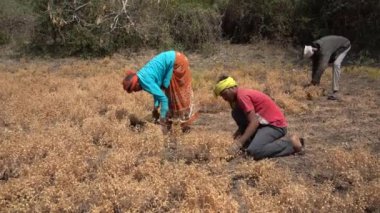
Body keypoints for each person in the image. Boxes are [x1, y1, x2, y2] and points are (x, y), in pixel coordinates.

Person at [214, 75, 304, 160]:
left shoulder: (242, 96)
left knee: (254, 152)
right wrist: (237, 135)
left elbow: (254, 122)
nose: (224, 98)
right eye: (222, 96)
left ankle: (291, 144)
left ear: (232, 88)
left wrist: (238, 143)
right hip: (263, 125)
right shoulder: (236, 100)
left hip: (275, 126)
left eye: (224, 94)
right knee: (235, 112)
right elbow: (247, 121)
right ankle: (254, 141)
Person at [122, 50, 196, 131]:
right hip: (176, 59)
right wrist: (155, 108)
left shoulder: (144, 81)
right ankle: (176, 123)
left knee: (177, 95)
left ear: (135, 84)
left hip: (176, 62)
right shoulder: (142, 76)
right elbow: (157, 92)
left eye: (133, 89)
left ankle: (184, 123)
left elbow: (163, 99)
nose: (135, 91)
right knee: (169, 93)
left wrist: (162, 118)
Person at [304, 35, 351, 100]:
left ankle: (335, 91)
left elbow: (322, 67)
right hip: (334, 46)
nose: (311, 59)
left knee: (336, 64)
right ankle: (316, 84)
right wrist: (314, 84)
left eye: (311, 57)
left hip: (344, 45)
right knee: (322, 62)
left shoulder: (324, 51)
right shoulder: (314, 47)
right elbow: (315, 65)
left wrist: (314, 81)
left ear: (313, 53)